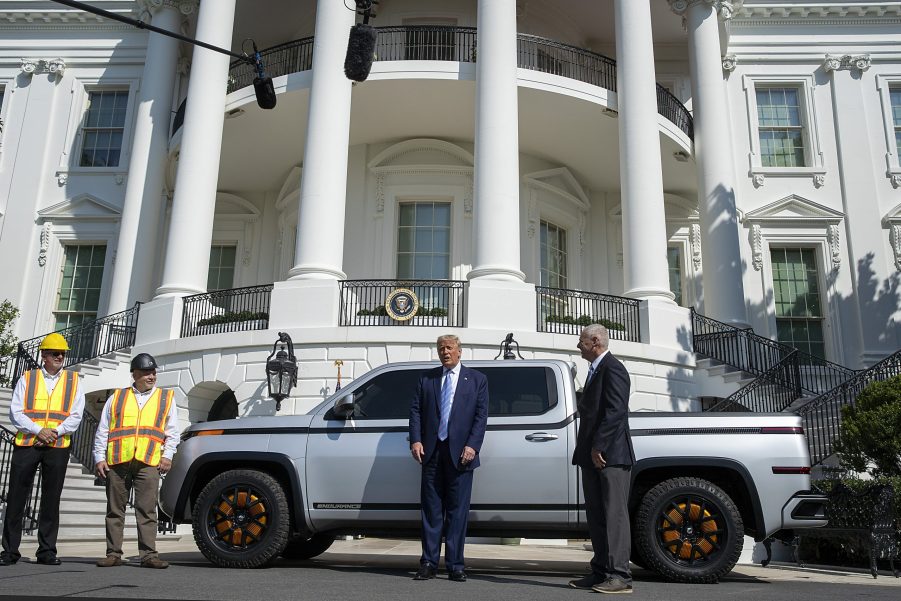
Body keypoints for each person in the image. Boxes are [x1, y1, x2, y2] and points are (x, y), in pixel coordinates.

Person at [409, 334, 488, 582]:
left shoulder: (477, 380)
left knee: (457, 512)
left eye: (450, 348)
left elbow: (481, 416)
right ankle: (429, 563)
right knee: (431, 510)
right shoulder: (427, 378)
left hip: (461, 455)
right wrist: (415, 439)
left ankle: (455, 565)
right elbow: (415, 411)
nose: (445, 352)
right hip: (432, 452)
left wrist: (473, 446)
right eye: (441, 348)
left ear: (459, 351)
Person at [1, 333, 84, 566]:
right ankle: (9, 551)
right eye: (55, 353)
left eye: (63, 354)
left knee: (51, 499)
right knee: (17, 497)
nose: (60, 357)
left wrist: (53, 433)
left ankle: (46, 551)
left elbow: (76, 415)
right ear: (44, 355)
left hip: (57, 445)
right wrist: (39, 431)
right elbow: (16, 412)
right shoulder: (28, 378)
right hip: (28, 443)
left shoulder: (74, 381)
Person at [93, 353, 180, 569]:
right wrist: (98, 457)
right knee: (115, 510)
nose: (152, 376)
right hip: (118, 461)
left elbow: (173, 432)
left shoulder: (165, 398)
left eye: (153, 372)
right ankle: (113, 554)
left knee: (147, 510)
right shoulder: (117, 397)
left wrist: (167, 455)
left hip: (148, 461)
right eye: (147, 372)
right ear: (135, 374)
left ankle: (149, 555)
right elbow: (103, 429)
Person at [569, 324, 635, 594]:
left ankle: (620, 576)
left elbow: (616, 411)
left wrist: (599, 447)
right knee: (596, 515)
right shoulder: (595, 369)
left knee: (614, 515)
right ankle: (601, 572)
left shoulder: (614, 368)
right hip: (593, 456)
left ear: (595, 341)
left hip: (611, 456)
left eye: (581, 341)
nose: (578, 345)